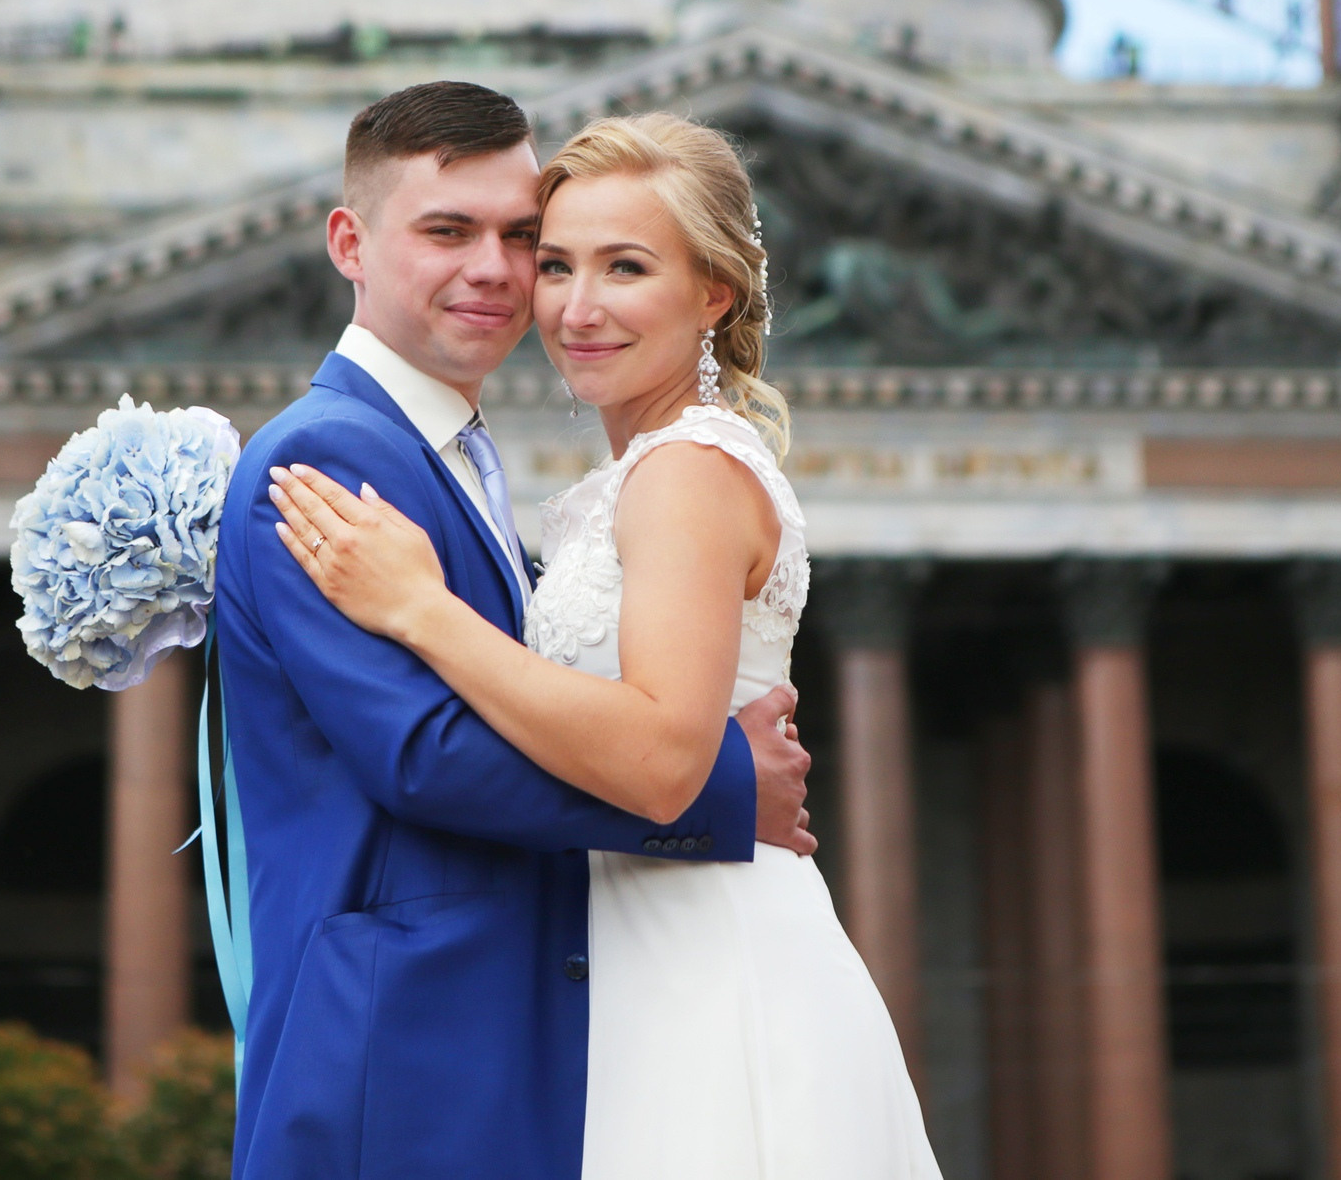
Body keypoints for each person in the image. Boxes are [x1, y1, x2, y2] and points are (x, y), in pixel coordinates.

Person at [271, 111, 942, 1180]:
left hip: (695, 957)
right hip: (618, 948)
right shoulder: (621, 483)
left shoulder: (682, 473)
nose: (574, 307)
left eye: (625, 267)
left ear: (714, 290)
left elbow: (662, 754)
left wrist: (422, 608)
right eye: (558, 264)